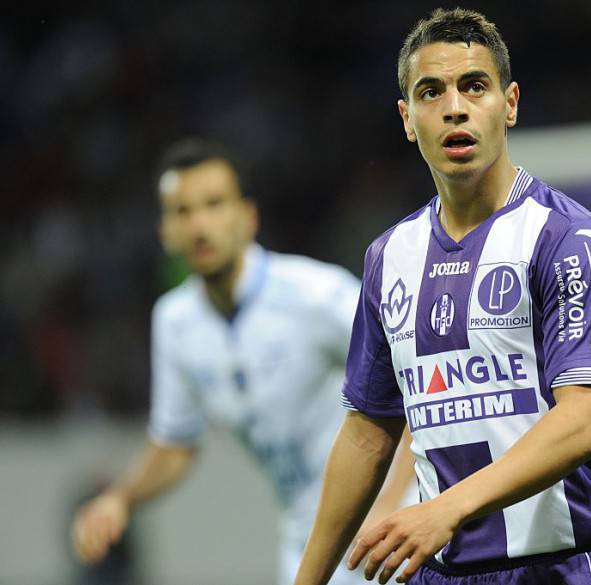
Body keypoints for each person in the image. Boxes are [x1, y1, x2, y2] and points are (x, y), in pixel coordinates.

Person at [295, 8, 591, 585]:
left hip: (568, 566)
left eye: (474, 86)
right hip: (445, 571)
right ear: (408, 120)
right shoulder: (389, 257)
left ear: (509, 104)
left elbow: (586, 420)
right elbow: (368, 431)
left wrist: (446, 508)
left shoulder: (568, 240)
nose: (454, 106)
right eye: (431, 92)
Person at [70, 138, 413, 585]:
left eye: (214, 204)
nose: (199, 225)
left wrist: (390, 503)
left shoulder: (317, 295)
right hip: (305, 540)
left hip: (392, 524)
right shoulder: (175, 322)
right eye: (182, 211)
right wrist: (121, 498)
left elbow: (413, 385)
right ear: (165, 233)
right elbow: (175, 443)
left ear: (248, 217)